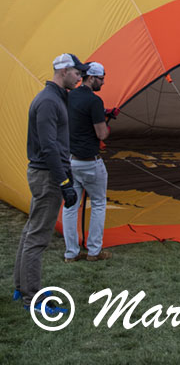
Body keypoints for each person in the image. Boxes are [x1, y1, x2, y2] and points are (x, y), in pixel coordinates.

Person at [13, 53, 84, 314]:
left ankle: (21, 287)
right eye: (77, 72)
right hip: (47, 176)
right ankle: (32, 299)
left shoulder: (56, 98)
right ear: (64, 71)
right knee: (38, 238)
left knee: (31, 231)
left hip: (46, 174)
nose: (79, 78)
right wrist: (63, 181)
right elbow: (48, 146)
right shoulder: (48, 101)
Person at [62, 61, 112, 262]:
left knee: (70, 206)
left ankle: (71, 253)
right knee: (98, 203)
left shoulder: (68, 96)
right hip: (90, 162)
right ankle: (94, 251)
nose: (103, 83)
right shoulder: (94, 101)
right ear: (91, 78)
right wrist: (107, 125)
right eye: (101, 79)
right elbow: (101, 134)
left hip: (71, 161)